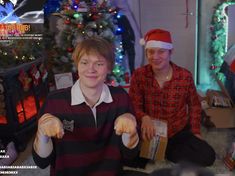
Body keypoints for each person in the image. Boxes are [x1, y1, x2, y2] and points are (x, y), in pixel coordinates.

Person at [32, 37, 139, 176]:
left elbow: (130, 155)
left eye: (99, 64)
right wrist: (42, 134)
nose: (91, 69)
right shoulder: (55, 101)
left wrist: (130, 132)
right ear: (77, 65)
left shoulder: (121, 98)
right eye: (84, 62)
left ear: (109, 67)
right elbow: (41, 162)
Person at [129, 28, 215, 166]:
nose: (155, 57)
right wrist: (143, 117)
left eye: (161, 52)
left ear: (170, 52)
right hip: (148, 130)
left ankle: (163, 151)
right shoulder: (139, 75)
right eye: (151, 52)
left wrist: (195, 132)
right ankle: (158, 151)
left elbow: (194, 105)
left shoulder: (184, 76)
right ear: (146, 53)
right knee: (124, 154)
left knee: (207, 156)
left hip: (177, 130)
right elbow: (133, 104)